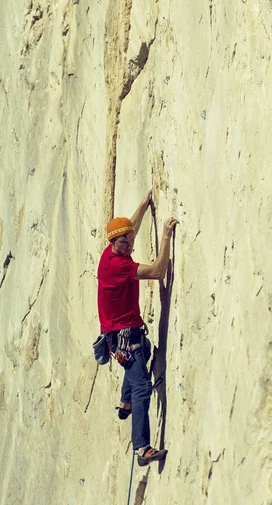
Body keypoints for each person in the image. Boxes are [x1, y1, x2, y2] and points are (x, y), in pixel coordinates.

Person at [97, 190, 178, 466]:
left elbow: (128, 228)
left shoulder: (111, 249)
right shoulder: (117, 265)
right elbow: (157, 272)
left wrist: (143, 205)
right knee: (143, 386)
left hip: (125, 334)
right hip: (122, 338)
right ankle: (142, 449)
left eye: (131, 240)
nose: (130, 245)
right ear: (113, 243)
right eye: (125, 242)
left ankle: (125, 402)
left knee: (144, 349)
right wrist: (166, 237)